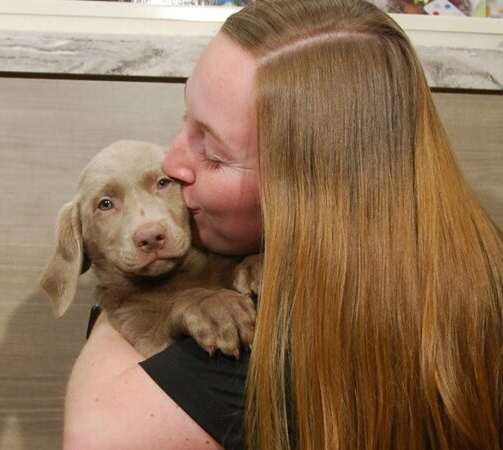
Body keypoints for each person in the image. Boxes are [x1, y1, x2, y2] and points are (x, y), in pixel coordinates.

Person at [63, 0, 503, 449]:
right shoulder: (472, 262)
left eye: (213, 154)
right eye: (185, 120)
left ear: (307, 191)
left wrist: (121, 294)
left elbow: (96, 434)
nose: (173, 164)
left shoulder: (285, 322)